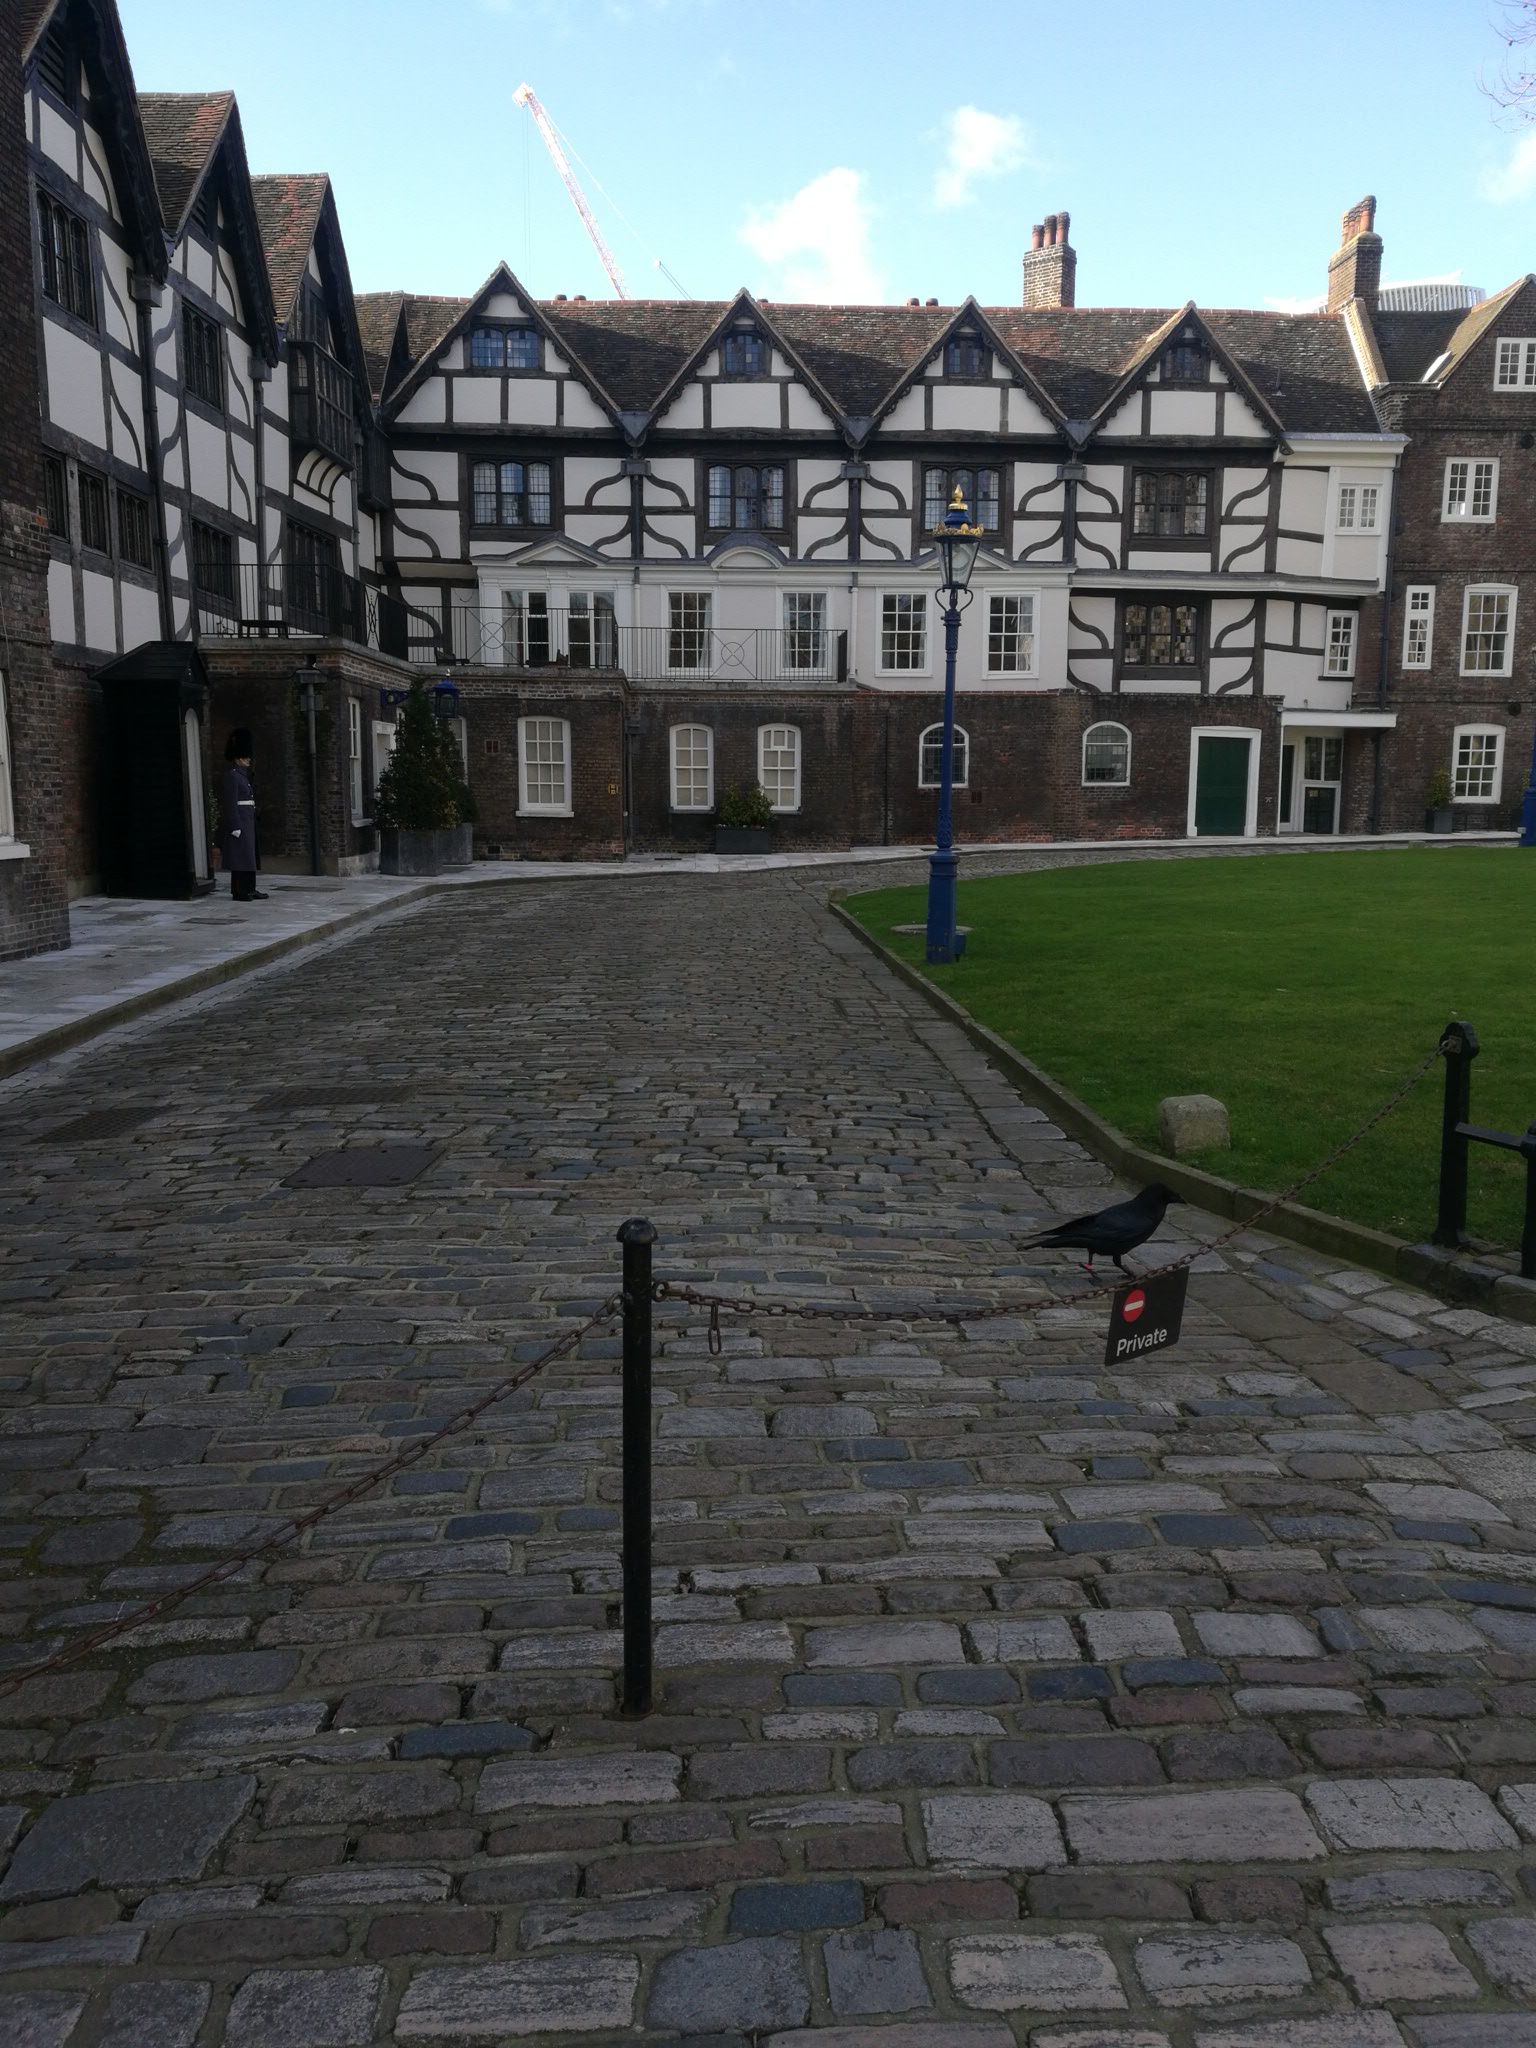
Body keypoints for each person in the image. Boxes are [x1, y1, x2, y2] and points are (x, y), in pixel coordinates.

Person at [221, 729, 267, 901]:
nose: (249, 759)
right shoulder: (232, 776)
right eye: (246, 756)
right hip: (240, 821)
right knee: (240, 858)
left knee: (249, 857)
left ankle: (250, 888)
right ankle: (239, 890)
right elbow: (230, 803)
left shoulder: (242, 776)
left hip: (248, 820)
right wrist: (235, 825)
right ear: (239, 757)